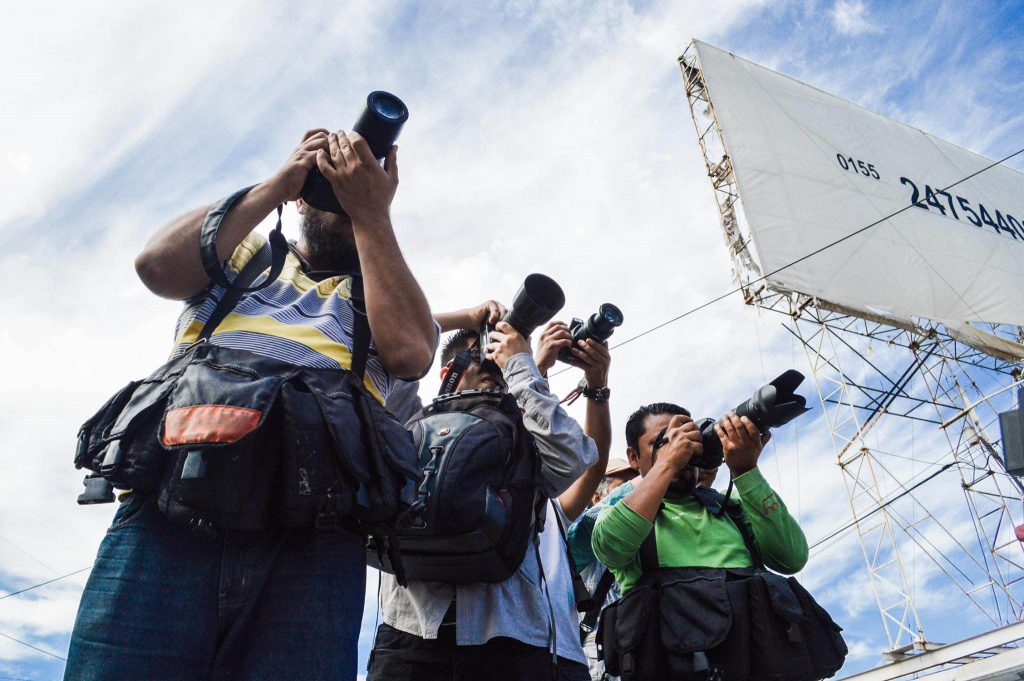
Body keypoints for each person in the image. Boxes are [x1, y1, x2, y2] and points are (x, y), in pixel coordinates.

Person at [65, 129, 438, 681]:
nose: (342, 189)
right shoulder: (241, 259)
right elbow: (155, 266)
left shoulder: (383, 296)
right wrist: (276, 184)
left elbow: (412, 352)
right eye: (327, 184)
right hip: (171, 515)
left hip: (313, 541)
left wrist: (371, 215)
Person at [371, 307, 612, 681]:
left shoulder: (523, 441)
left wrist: (521, 364)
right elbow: (382, 339)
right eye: (482, 359)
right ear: (447, 373)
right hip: (412, 633)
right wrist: (467, 317)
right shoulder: (409, 422)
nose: (493, 367)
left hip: (512, 637)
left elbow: (576, 456)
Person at [592, 402, 808, 597]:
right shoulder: (617, 514)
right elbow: (611, 548)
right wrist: (667, 463)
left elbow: (791, 559)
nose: (680, 448)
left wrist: (746, 471)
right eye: (662, 442)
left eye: (686, 438)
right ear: (634, 458)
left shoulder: (732, 504)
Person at [566, 458, 638, 681]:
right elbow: (590, 520)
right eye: (623, 483)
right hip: (600, 660)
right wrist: (648, 480)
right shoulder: (583, 540)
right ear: (597, 497)